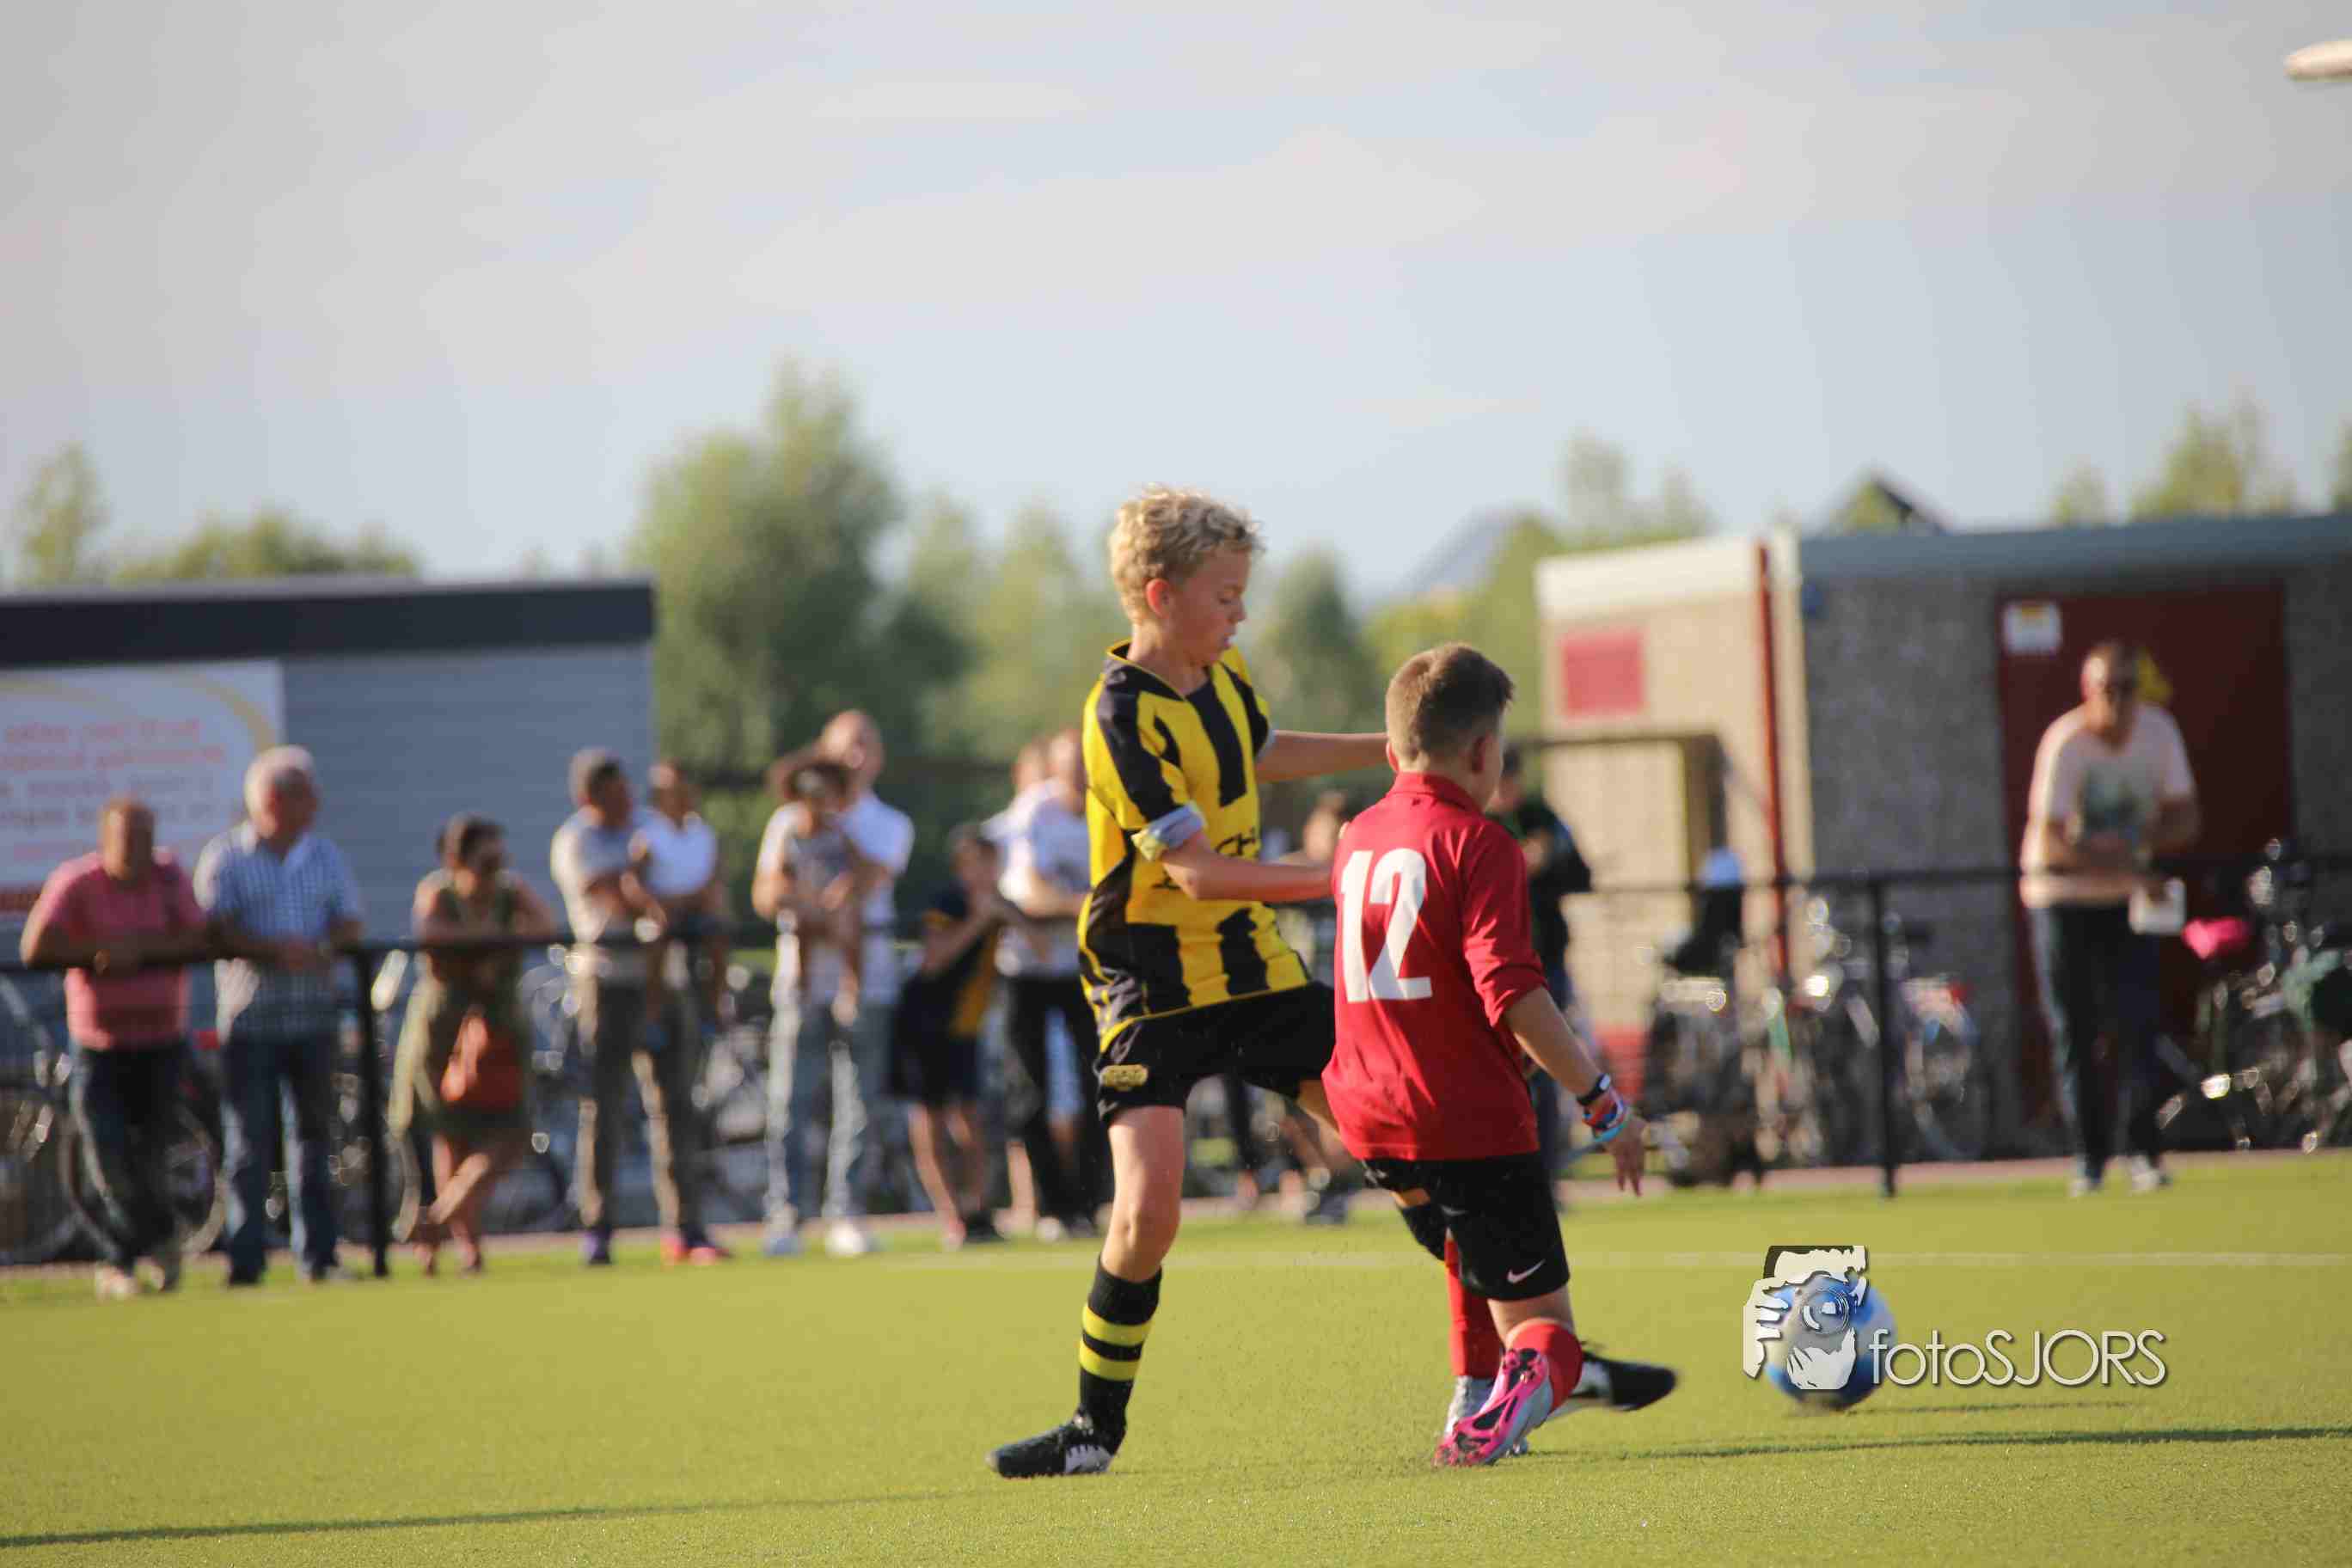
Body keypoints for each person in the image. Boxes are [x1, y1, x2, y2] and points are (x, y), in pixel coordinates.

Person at [988, 486, 1389, 1479]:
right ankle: (1093, 1429)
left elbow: (1262, 751)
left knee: (1397, 1132)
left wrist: (1394, 752)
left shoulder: (1222, 670)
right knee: (1148, 1211)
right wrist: (1338, 873)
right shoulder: (1119, 713)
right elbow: (1197, 873)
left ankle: (1515, 1359)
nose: (1241, 614)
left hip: (1252, 968)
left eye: (1243, 593)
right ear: (1161, 596)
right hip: (1149, 985)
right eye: (1225, 596)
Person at [1323, 643, 1675, 1465]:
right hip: (1464, 1119)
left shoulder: (1355, 837)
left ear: (1393, 752)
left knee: (1467, 1251)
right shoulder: (1480, 844)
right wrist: (1604, 1104)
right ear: (1485, 752)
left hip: (1370, 1120)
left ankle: (1474, 1396)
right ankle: (1512, 1403)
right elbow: (1512, 992)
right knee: (1549, 1337)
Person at [2021, 640, 2200, 1197]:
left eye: (2128, 688)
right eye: (2108, 689)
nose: (2119, 702)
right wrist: (2127, 866)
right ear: (2087, 691)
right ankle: (2089, 1160)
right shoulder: (2066, 743)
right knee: (2075, 1029)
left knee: (2139, 1024)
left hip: (2128, 902)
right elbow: (2053, 841)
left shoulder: (2160, 733)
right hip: (2063, 899)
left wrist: (2147, 845)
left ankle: (2143, 1153)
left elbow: (2186, 817)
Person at [19, 797, 211, 1297]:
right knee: (106, 1154)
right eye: (130, 840)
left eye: (147, 838)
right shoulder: (77, 882)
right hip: (98, 1045)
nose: (140, 850)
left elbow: (199, 939)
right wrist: (99, 954)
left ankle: (124, 1261)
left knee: (151, 1157)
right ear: (106, 841)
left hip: (162, 1042)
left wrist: (142, 951)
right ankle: (152, 1244)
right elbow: (35, 947)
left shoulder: (169, 878)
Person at [195, 748, 365, 1286]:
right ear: (273, 800)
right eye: (305, 794)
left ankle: (317, 1257)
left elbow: (350, 922)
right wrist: (273, 950)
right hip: (251, 1023)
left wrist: (319, 947)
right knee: (248, 1143)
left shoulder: (324, 855)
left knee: (314, 1140)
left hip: (313, 1019)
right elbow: (214, 930)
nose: (316, 804)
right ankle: (245, 1261)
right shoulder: (226, 857)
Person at [551, 750, 724, 1266]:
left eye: (625, 789)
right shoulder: (576, 839)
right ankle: (598, 1227)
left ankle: (686, 1227)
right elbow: (615, 894)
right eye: (610, 793)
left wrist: (669, 894)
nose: (624, 800)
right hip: (607, 980)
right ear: (586, 797)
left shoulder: (651, 826)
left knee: (676, 1104)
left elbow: (693, 877)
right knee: (604, 1106)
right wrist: (657, 894)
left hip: (665, 977)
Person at [756, 713, 915, 1259]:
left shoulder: (889, 823)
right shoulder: (787, 822)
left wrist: (829, 893)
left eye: (866, 744)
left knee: (860, 1105)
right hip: (799, 985)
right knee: (789, 1102)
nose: (855, 755)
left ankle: (847, 1213)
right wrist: (807, 906)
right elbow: (766, 892)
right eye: (846, 745)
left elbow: (868, 882)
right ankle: (785, 1215)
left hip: (866, 983)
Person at [390, 814, 558, 1274]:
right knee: (451, 1137)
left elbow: (546, 926)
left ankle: (439, 1219)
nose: (493, 870)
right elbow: (430, 934)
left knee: (510, 1136)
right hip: (444, 1033)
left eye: (499, 859)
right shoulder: (438, 893)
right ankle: (466, 1247)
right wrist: (495, 940)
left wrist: (487, 941)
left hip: (499, 1032)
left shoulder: (510, 891)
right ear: (457, 859)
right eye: (485, 861)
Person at [994, 727, 1103, 1240]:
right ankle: (1052, 1207)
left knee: (1103, 1081)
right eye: (1069, 763)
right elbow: (1030, 896)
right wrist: (1090, 905)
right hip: (1027, 971)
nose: (1078, 773)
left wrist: (1071, 907)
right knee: (1030, 1090)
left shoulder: (1112, 810)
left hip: (1086, 969)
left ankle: (1090, 1203)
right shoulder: (1033, 813)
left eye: (1085, 762)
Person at [890, 824, 1009, 1247]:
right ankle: (950, 1215)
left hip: (966, 1029)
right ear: (962, 867)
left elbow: (1040, 946)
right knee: (931, 1118)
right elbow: (935, 959)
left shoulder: (999, 904)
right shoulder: (948, 902)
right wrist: (980, 920)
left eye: (992, 864)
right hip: (924, 1023)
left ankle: (978, 1210)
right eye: (979, 865)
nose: (987, 873)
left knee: (972, 1119)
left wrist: (1011, 916)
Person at [1489, 744, 1594, 1181]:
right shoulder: (1477, 822)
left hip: (1544, 962)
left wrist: (1551, 859)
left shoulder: (1540, 816)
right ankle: (1505, 1170)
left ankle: (1545, 1171)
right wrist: (1518, 862)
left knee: (1546, 1066)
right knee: (1497, 1072)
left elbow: (1582, 876)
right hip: (1493, 970)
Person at [635, 759, 730, 1025]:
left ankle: (716, 1006)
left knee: (718, 935)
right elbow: (633, 878)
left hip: (698, 910)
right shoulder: (649, 834)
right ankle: (653, 1012)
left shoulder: (703, 833)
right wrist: (653, 905)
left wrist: (706, 896)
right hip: (663, 913)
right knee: (654, 941)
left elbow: (716, 872)